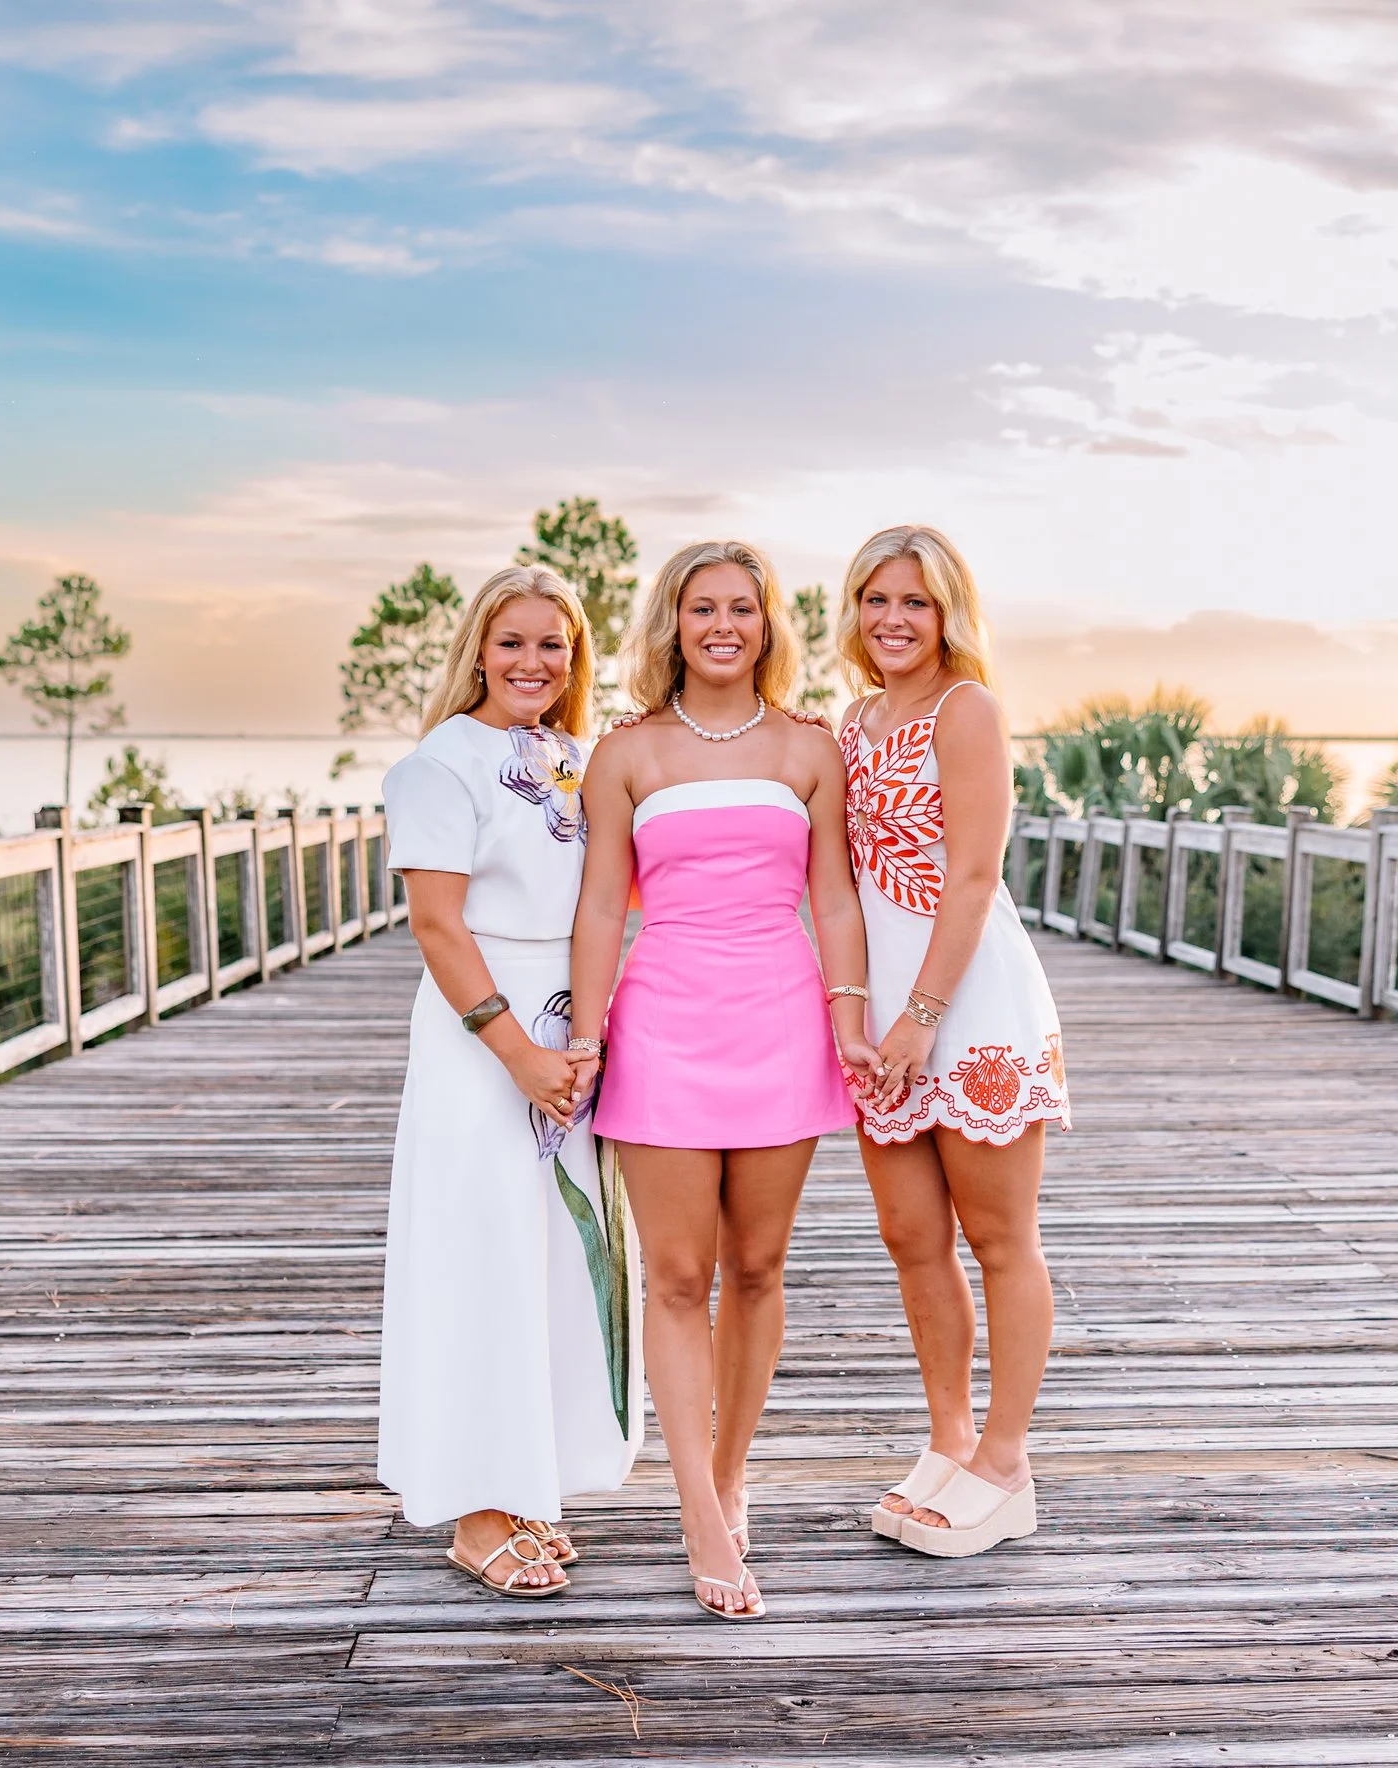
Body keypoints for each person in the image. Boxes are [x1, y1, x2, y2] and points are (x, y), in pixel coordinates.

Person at [569, 539, 878, 1620]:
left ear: (767, 624)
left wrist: (850, 1015)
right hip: (660, 1025)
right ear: (673, 622)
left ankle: (732, 1468)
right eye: (702, 608)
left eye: (742, 608)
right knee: (673, 1277)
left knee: (755, 1266)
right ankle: (696, 1506)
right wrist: (587, 1035)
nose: (722, 626)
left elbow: (834, 897)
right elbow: (601, 906)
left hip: (781, 1020)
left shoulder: (808, 745)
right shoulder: (625, 752)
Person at [378, 564, 639, 1598]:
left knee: (555, 1255)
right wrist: (517, 1051)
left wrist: (585, 1034)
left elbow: (602, 906)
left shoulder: (578, 761)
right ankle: (474, 1507)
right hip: (479, 1032)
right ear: (477, 649)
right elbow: (437, 924)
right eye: (514, 641)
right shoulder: (437, 766)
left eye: (555, 644)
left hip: (566, 1025)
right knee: (479, 1247)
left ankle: (528, 1478)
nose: (534, 662)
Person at [839, 524, 1068, 1559]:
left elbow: (972, 878)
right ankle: (949, 1439)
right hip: (880, 1019)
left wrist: (922, 1016)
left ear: (947, 614)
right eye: (876, 598)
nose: (893, 618)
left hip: (963, 1009)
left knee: (997, 1238)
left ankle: (1006, 1459)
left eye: (915, 602)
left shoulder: (965, 711)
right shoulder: (852, 720)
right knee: (910, 1238)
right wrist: (865, 1013)